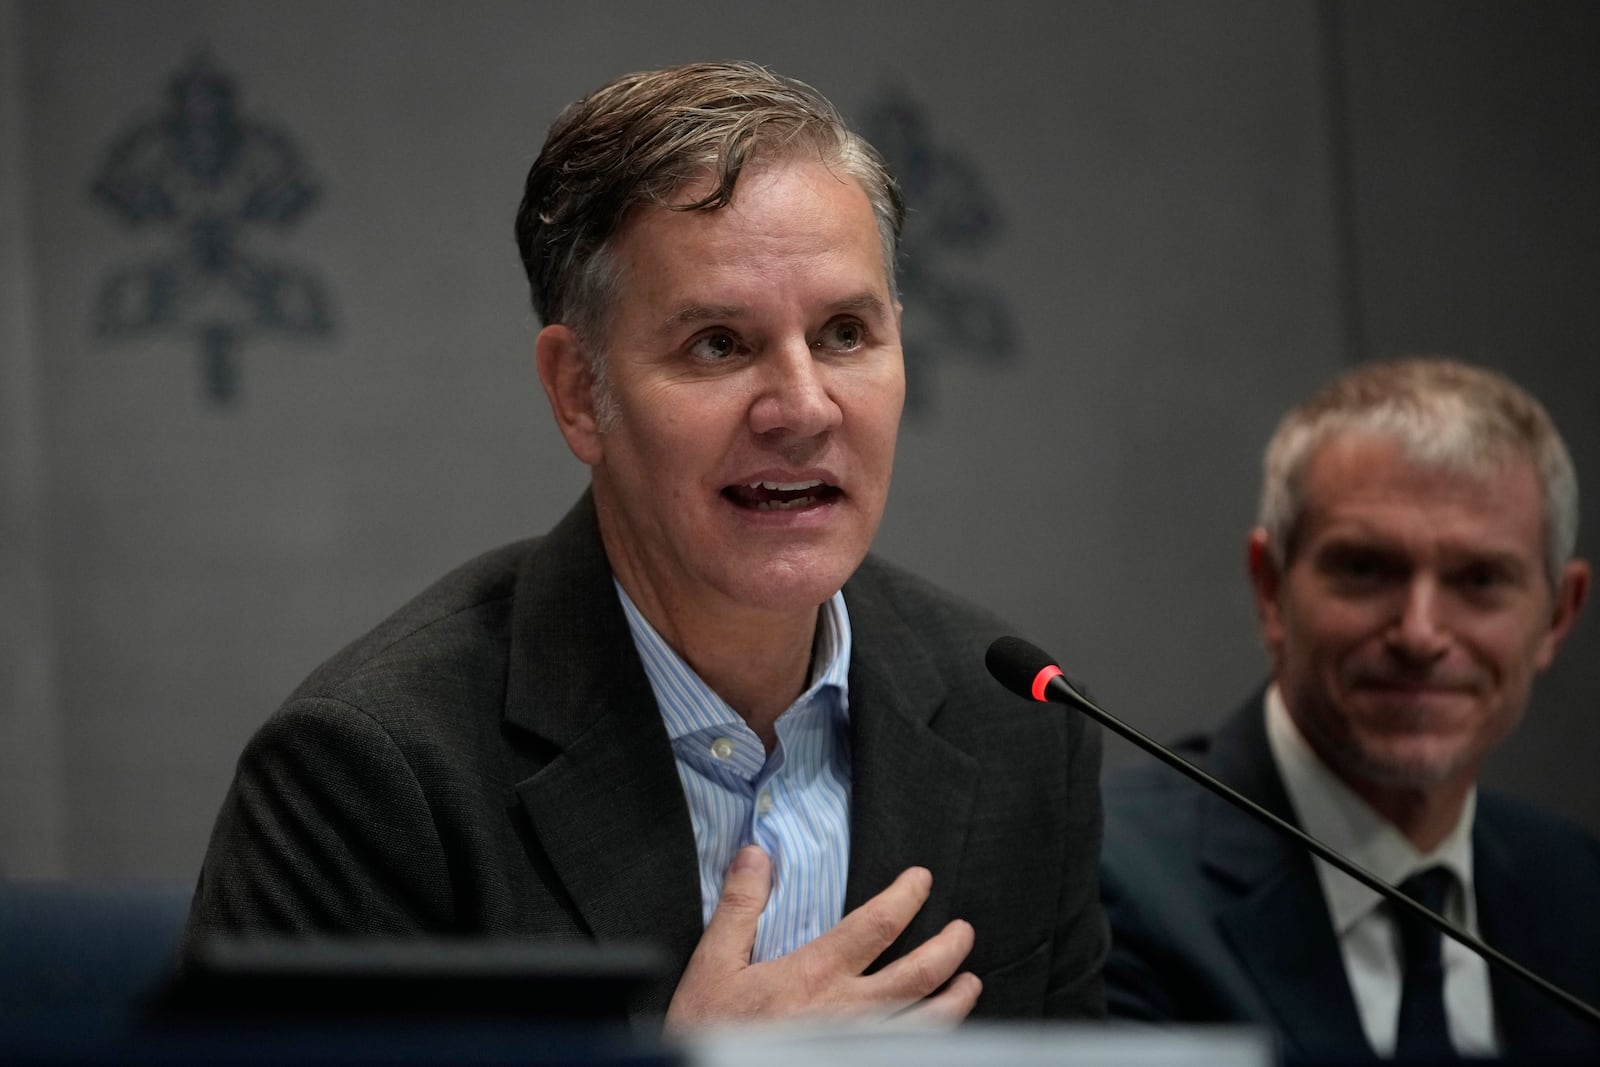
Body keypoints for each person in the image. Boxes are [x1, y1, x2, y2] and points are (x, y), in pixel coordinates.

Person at [183, 61, 1107, 1029]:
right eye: (718, 343)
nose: (801, 407)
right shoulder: (372, 776)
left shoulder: (1021, 727)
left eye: (843, 333)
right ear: (580, 391)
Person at [1100, 357, 1600, 1061]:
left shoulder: (1578, 885)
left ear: (1557, 614)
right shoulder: (1109, 877)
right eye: (1366, 569)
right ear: (1271, 587)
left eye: (1480, 579)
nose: (1421, 633)